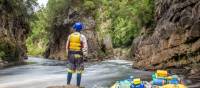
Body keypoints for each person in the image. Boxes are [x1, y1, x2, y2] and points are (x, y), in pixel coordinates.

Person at [66, 22, 88, 87]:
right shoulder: (82, 37)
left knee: (70, 70)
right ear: (81, 29)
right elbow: (85, 47)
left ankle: (68, 85)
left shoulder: (70, 36)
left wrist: (68, 55)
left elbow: (67, 47)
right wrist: (85, 56)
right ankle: (78, 86)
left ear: (74, 28)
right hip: (79, 56)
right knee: (79, 71)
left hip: (71, 56)